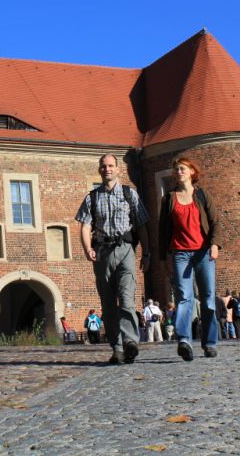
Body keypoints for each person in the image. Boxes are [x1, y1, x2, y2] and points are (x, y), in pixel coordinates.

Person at [76, 153, 150, 364]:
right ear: (99, 170)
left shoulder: (130, 194)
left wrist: (146, 253)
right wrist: (87, 248)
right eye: (103, 166)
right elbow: (85, 225)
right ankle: (117, 347)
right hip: (102, 252)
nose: (107, 169)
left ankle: (130, 342)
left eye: (110, 166)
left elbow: (142, 224)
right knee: (108, 303)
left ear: (118, 169)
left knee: (126, 298)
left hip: (125, 248)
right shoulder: (92, 197)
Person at [158, 157, 223, 361]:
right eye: (176, 169)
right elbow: (162, 230)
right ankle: (184, 340)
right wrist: (162, 257)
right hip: (180, 253)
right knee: (184, 297)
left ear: (192, 172)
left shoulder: (202, 195)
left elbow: (215, 222)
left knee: (208, 297)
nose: (179, 172)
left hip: (203, 252)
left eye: (183, 168)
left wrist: (214, 244)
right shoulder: (169, 199)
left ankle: (209, 342)